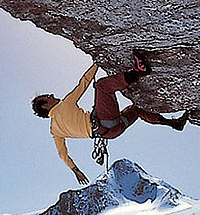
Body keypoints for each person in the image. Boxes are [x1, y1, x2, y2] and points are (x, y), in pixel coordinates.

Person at [31, 51, 189, 185]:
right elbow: (83, 84)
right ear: (45, 105)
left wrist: (75, 170)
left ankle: (175, 123)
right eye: (47, 97)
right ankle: (140, 71)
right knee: (102, 86)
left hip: (111, 132)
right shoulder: (63, 106)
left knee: (137, 109)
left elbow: (62, 153)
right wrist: (97, 63)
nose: (51, 95)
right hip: (105, 120)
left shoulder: (54, 131)